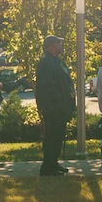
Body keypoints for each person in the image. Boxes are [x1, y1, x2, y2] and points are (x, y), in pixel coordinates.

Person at [34, 35, 75, 176]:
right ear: (50, 46)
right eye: (58, 43)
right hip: (53, 108)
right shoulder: (46, 62)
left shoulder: (56, 61)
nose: (60, 45)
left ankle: (53, 162)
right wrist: (59, 100)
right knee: (52, 136)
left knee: (57, 136)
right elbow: (47, 86)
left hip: (60, 107)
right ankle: (47, 167)